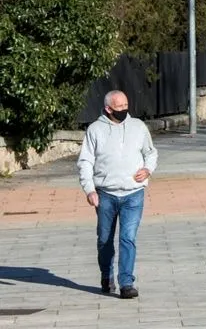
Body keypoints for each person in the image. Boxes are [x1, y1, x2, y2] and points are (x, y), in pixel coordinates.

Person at [77, 90, 158, 299]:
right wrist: (89, 190)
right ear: (108, 109)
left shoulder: (138, 127)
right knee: (104, 239)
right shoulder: (95, 130)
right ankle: (106, 275)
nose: (124, 110)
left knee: (127, 237)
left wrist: (148, 169)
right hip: (105, 194)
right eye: (119, 107)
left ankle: (126, 283)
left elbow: (151, 152)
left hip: (134, 193)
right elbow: (85, 161)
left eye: (125, 105)